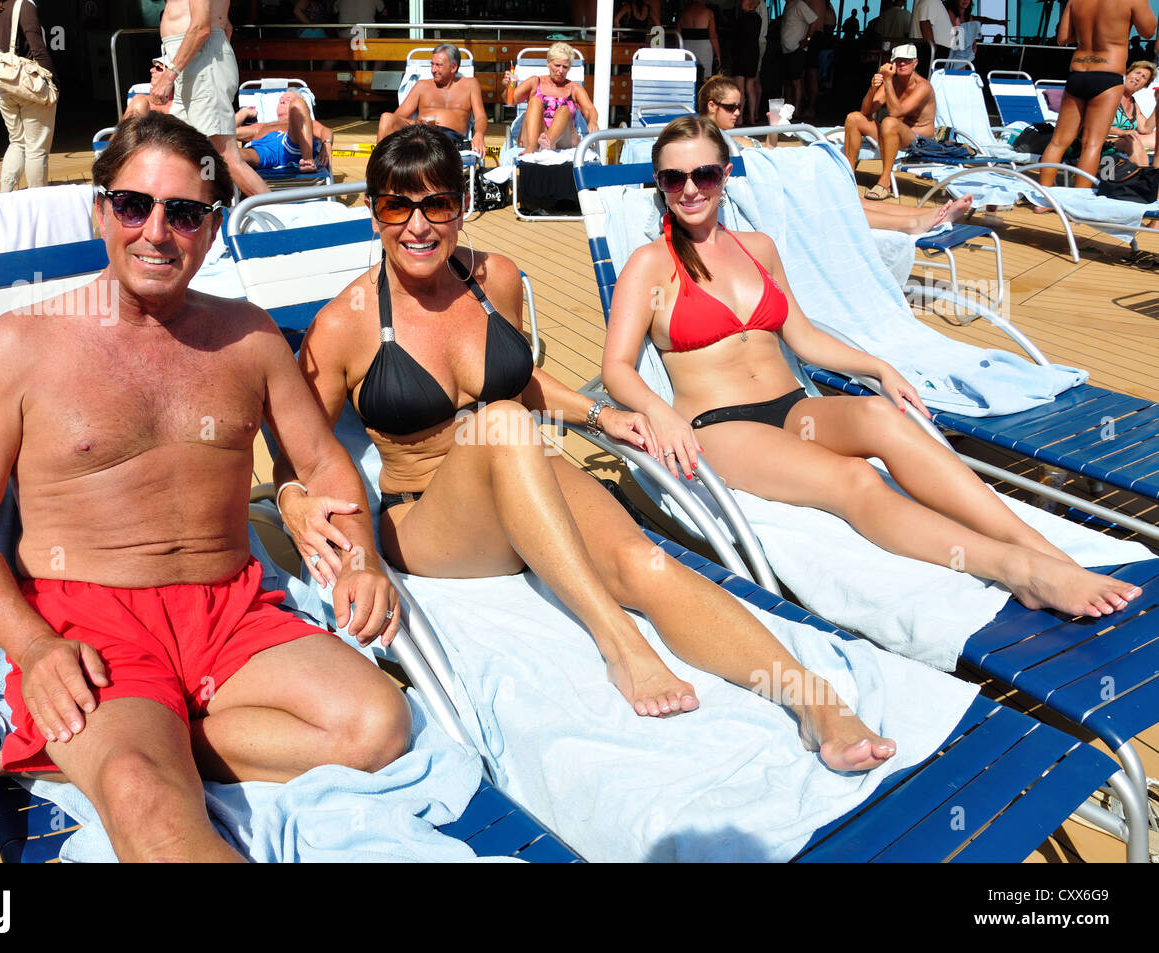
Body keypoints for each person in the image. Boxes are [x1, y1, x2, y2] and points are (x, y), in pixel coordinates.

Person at [292, 122, 899, 772]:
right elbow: (301, 444)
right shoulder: (343, 324)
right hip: (430, 523)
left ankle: (813, 700)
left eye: (437, 203)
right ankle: (620, 641)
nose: (418, 225)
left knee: (645, 561)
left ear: (462, 207)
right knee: (499, 425)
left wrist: (602, 417)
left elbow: (522, 384)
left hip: (522, 469)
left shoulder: (493, 280)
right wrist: (297, 496)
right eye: (396, 205)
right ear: (372, 210)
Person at [0, 113, 410, 862]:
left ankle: (161, 738)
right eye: (133, 205)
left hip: (231, 610)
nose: (156, 231)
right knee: (146, 804)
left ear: (211, 228)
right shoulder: (21, 344)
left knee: (378, 724)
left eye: (183, 213)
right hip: (92, 624)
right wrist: (35, 646)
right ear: (100, 210)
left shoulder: (247, 337)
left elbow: (320, 463)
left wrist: (362, 559)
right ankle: (140, 754)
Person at [602, 116, 1142, 631]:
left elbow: (804, 337)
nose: (690, 189)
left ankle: (1046, 551)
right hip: (720, 426)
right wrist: (658, 412)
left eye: (705, 174)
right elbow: (617, 368)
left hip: (794, 406)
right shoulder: (650, 264)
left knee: (882, 417)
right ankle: (1020, 571)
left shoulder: (758, 249)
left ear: (725, 175)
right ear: (660, 184)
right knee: (855, 479)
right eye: (674, 178)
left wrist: (880, 367)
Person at [701, 74, 972, 231]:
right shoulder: (706, 137)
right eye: (730, 108)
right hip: (772, 188)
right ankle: (914, 223)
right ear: (711, 106)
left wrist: (774, 129)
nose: (738, 113)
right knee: (836, 203)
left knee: (846, 197)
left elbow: (768, 151)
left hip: (781, 176)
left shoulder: (733, 136)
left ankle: (921, 215)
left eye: (739, 107)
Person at [155, 0, 270, 197]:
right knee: (186, 148)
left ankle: (279, 217)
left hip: (202, 60)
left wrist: (170, 73)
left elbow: (201, 28)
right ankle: (210, 215)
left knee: (225, 156)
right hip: (197, 61)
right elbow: (226, 27)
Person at [1038, 0, 1157, 189]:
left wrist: (1091, 29)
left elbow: (1063, 38)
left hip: (1078, 72)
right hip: (1108, 75)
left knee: (1058, 142)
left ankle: (1041, 200)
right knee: (1092, 144)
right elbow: (1148, 31)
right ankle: (1078, 200)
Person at [842, 43, 937, 200]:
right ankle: (848, 174)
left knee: (889, 121)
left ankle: (884, 182)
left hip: (918, 141)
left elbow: (896, 112)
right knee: (853, 118)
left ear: (915, 63)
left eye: (907, 60)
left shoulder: (923, 87)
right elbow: (866, 111)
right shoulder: (892, 83)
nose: (902, 64)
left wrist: (887, 81)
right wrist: (873, 89)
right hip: (892, 134)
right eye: (898, 60)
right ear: (892, 63)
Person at [0, 0, 58, 192]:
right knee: (37, 148)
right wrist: (53, 81)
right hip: (27, 85)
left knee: (17, 142)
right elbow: (38, 47)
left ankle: (5, 195)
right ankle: (37, 199)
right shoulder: (25, 6)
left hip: (2, 84)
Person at [378, 44, 488, 158]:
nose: (433, 70)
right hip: (421, 134)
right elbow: (397, 117)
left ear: (453, 67)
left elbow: (480, 117)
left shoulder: (470, 84)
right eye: (432, 64)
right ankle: (377, 170)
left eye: (438, 65)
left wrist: (479, 134)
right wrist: (416, 124)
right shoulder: (422, 85)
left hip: (449, 139)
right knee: (386, 118)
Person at [506, 41, 599, 155]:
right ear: (548, 63)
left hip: (562, 139)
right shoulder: (535, 82)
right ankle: (531, 148)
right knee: (535, 101)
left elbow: (590, 109)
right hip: (535, 137)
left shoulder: (574, 88)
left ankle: (547, 143)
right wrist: (509, 87)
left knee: (564, 110)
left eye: (565, 67)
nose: (560, 71)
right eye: (557, 65)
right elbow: (511, 101)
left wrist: (593, 121)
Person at [236, 87, 333, 172]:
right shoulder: (261, 126)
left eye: (288, 99)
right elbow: (229, 131)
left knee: (298, 104)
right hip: (262, 151)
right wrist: (243, 112)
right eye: (281, 99)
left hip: (291, 146)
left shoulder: (306, 123)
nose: (282, 101)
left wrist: (327, 145)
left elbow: (325, 130)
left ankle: (307, 160)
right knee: (229, 155)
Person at [1105, 60, 1157, 168]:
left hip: (1125, 140)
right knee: (1132, 142)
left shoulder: (1133, 103)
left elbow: (1145, 129)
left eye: (1144, 77)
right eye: (1137, 73)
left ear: (1145, 86)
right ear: (1127, 74)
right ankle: (1144, 179)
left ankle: (1153, 178)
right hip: (1101, 141)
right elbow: (1095, 126)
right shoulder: (1110, 95)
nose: (1138, 78)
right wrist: (1123, 132)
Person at [779, 0, 820, 119]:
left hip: (796, 49)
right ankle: (788, 111)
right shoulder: (788, 5)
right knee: (787, 82)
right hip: (786, 49)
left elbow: (814, 20)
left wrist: (807, 39)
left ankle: (796, 110)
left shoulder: (799, 4)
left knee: (796, 81)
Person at [730, 0, 765, 124]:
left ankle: (739, 119)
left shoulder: (742, 18)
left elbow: (736, 36)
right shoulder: (758, 18)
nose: (740, 3)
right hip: (753, 53)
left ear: (748, 3)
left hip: (741, 53)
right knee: (750, 87)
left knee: (740, 89)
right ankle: (751, 117)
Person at [678, 0, 720, 80]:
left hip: (686, 45)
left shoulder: (683, 13)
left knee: (688, 74)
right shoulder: (708, 13)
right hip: (704, 47)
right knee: (704, 76)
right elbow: (713, 36)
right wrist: (718, 54)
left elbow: (678, 33)